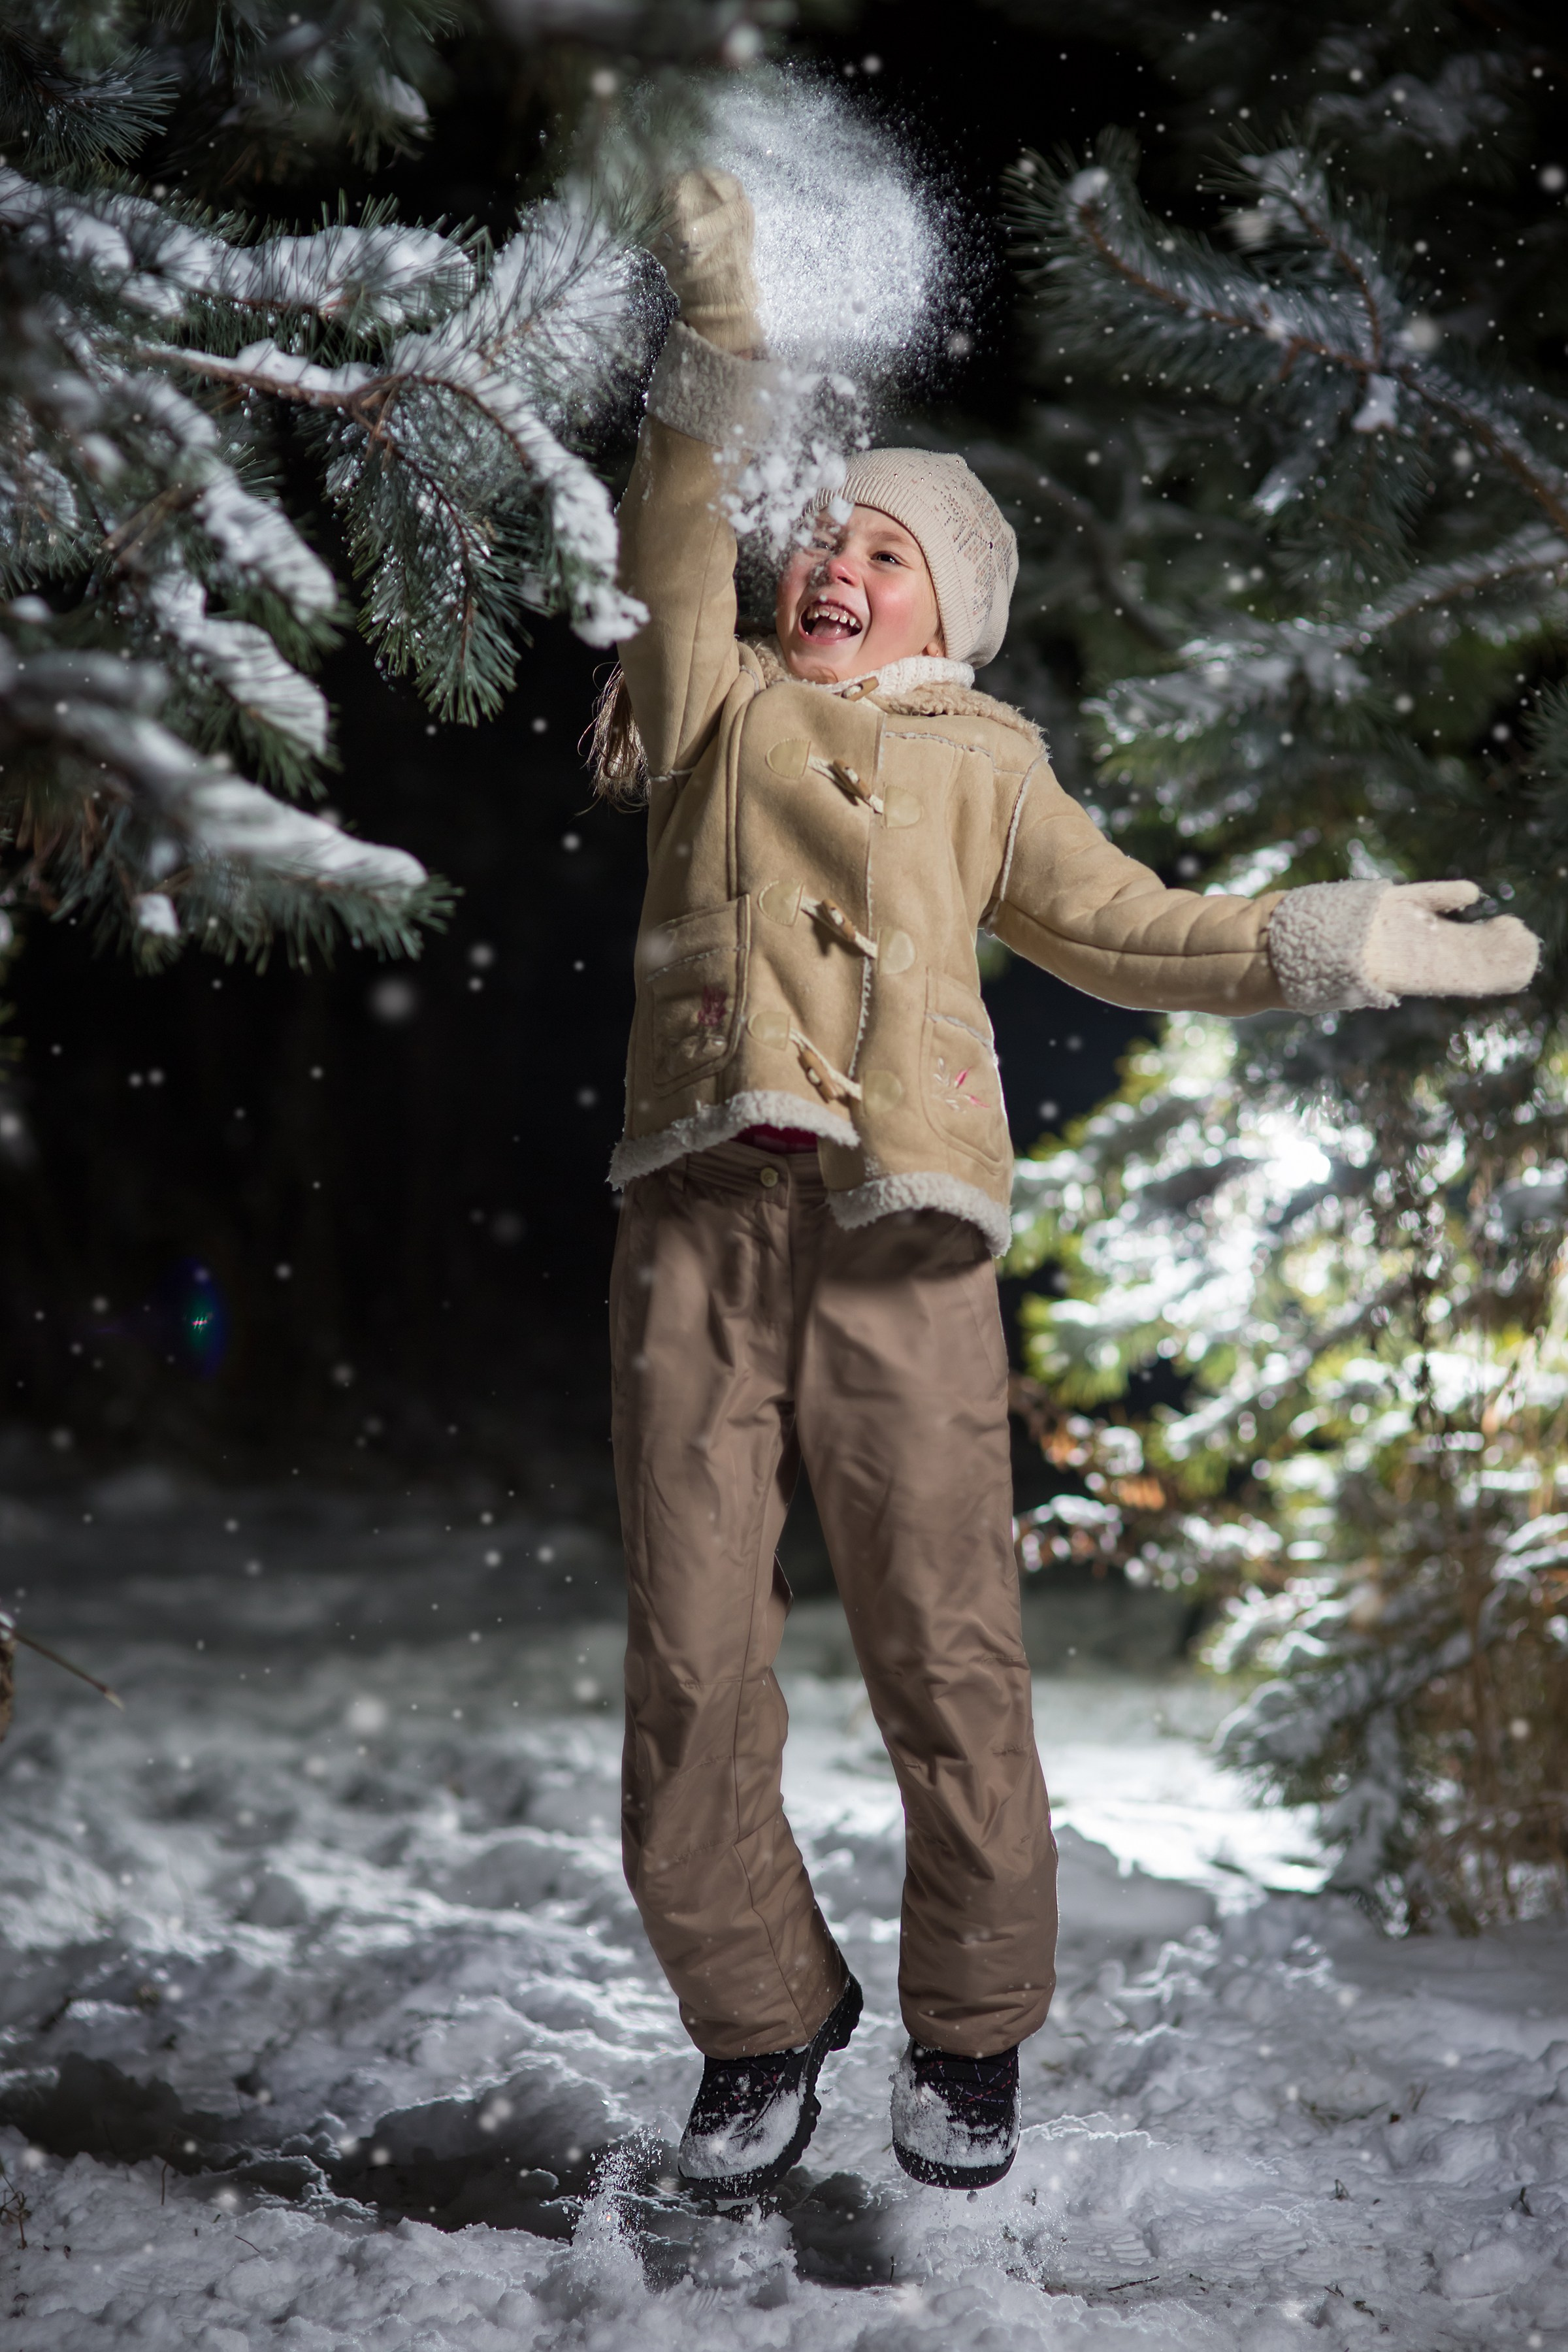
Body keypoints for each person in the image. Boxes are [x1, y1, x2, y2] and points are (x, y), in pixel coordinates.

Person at [594, 171, 1539, 2198]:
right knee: (689, 1661)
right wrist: (724, 353)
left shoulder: (988, 768)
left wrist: (1329, 939)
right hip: (698, 1233)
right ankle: (761, 2021)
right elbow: (678, 520)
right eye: (819, 539)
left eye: (883, 550)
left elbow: (1135, 928)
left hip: (904, 1247)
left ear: (953, 603)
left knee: (950, 1644)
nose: (832, 567)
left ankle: (969, 2034)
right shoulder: (714, 710)